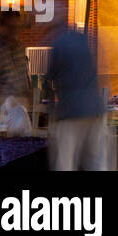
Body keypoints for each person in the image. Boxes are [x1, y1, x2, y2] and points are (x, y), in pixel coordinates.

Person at [45, 23, 110, 170]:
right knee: (96, 160)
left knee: (65, 161)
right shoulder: (84, 43)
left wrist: (51, 111)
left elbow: (48, 82)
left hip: (70, 111)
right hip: (95, 109)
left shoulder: (58, 47)